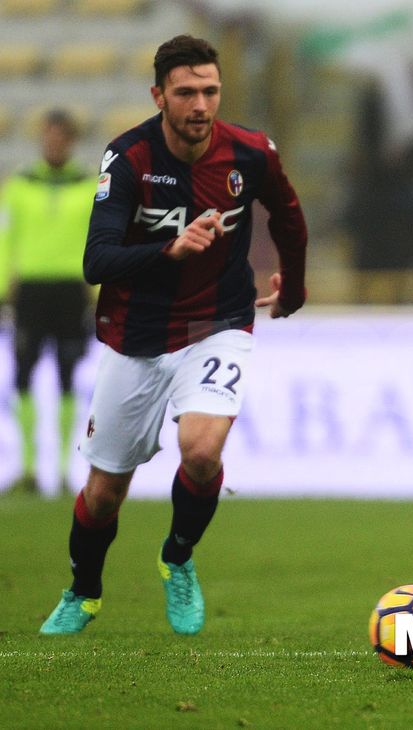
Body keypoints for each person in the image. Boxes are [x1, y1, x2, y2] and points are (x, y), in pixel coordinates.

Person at [39, 35, 308, 635]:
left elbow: (289, 217)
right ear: (159, 96)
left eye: (210, 91)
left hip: (218, 323)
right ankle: (83, 591)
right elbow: (96, 261)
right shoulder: (129, 157)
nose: (200, 105)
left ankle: (178, 557)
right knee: (105, 492)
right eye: (186, 92)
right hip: (136, 334)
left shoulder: (251, 153)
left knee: (203, 451)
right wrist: (169, 248)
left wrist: (293, 288)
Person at [0, 109, 96, 497]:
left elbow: (98, 242)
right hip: (31, 291)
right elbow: (5, 239)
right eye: (48, 137)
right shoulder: (20, 185)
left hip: (72, 291)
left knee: (67, 377)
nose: (54, 144)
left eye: (60, 137)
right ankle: (27, 469)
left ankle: (62, 471)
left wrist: (99, 293)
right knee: (22, 376)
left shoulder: (88, 186)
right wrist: (2, 289)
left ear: (71, 141)